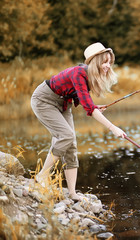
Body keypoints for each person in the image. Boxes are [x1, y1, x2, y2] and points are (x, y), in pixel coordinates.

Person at [30, 42, 126, 201]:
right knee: (66, 135)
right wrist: (112, 127)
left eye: (110, 62)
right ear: (95, 61)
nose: (108, 65)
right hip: (44, 100)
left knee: (71, 143)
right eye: (104, 61)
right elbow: (89, 109)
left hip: (63, 104)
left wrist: (93, 106)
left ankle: (72, 193)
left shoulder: (88, 76)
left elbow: (84, 101)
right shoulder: (79, 73)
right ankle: (41, 176)